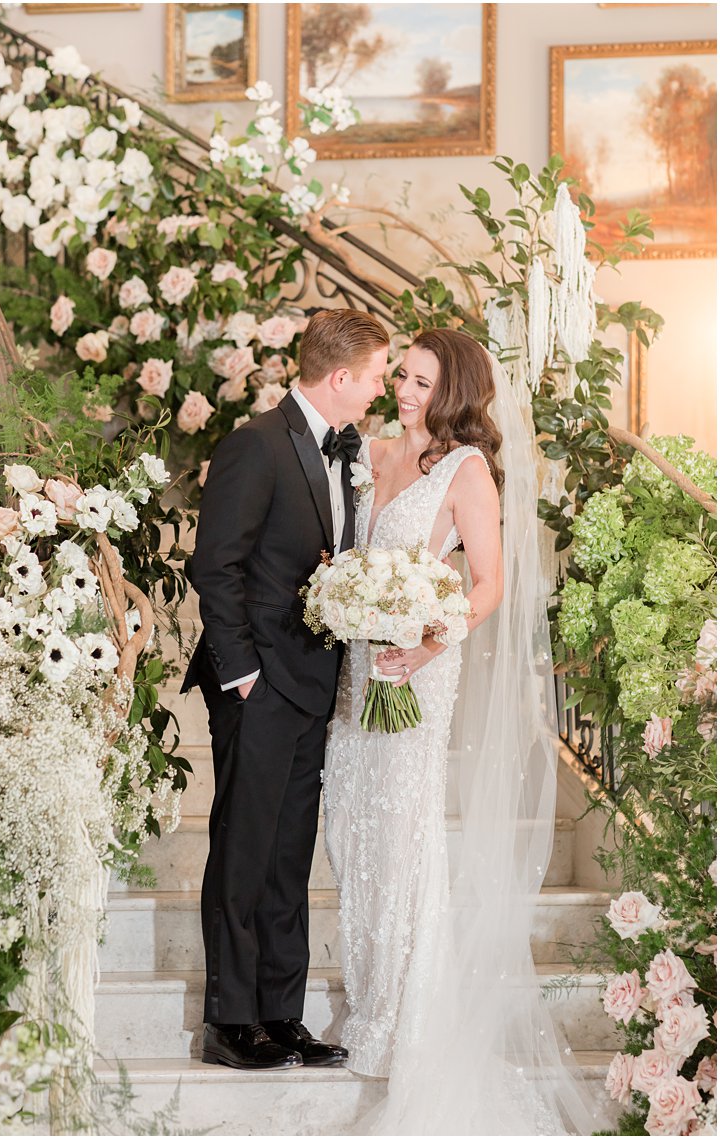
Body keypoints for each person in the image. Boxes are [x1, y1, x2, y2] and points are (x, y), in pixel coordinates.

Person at [325, 328, 597, 1133]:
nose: (406, 390)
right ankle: (370, 1000)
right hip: (356, 667)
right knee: (348, 826)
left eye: (421, 382)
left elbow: (488, 583)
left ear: (453, 393)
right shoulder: (369, 452)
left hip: (417, 667)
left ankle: (402, 1020)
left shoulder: (466, 471)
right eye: (401, 376)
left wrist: (428, 641)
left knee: (403, 835)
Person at [182, 308, 390, 1070]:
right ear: (340, 377)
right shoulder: (255, 445)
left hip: (315, 685)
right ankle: (229, 1021)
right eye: (373, 378)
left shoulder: (348, 451)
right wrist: (241, 676)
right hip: (259, 684)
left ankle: (281, 1012)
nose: (378, 391)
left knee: (289, 855)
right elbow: (217, 566)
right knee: (244, 850)